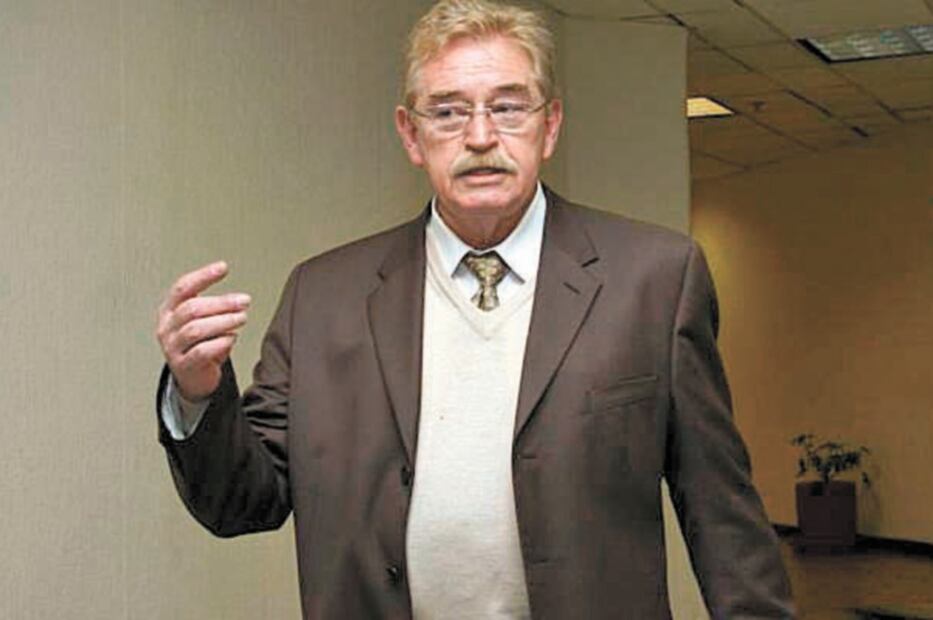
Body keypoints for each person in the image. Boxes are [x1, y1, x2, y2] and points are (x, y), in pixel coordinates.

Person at [155, 1, 795, 618]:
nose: (481, 136)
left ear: (550, 126)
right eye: (448, 112)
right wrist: (197, 392)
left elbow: (720, 510)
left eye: (508, 107)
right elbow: (244, 502)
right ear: (411, 135)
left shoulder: (653, 280)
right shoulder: (322, 297)